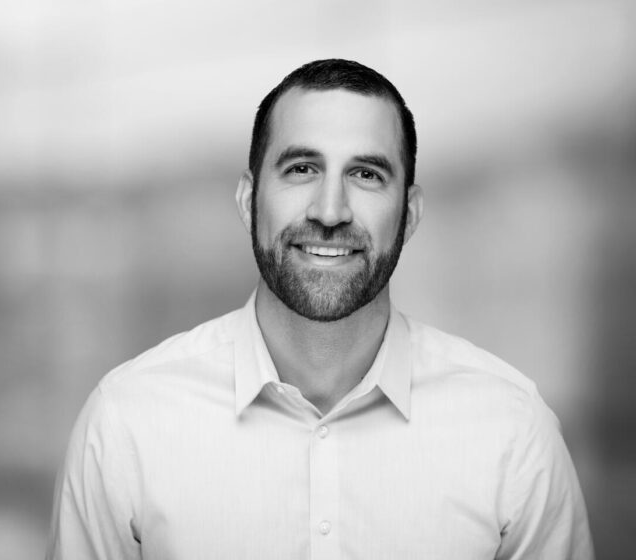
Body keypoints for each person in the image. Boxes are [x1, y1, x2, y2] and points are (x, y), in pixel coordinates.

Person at [46, 59, 594, 559]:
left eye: (366, 175)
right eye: (303, 169)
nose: (330, 211)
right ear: (247, 200)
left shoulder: (513, 433)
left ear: (410, 213)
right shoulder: (125, 424)